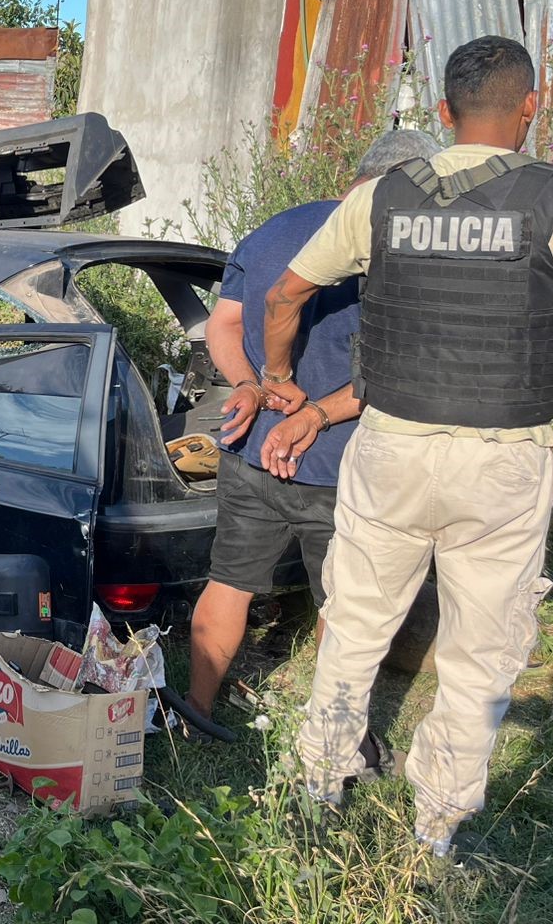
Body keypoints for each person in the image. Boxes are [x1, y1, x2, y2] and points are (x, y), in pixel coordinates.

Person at [261, 35, 553, 857]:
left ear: (442, 113)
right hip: (504, 460)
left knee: (357, 622)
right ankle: (434, 829)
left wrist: (276, 376)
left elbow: (288, 293)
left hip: (392, 444)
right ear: (530, 107)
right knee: (480, 652)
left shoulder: (384, 197)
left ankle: (317, 785)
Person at [184, 130, 445, 725]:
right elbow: (392, 369)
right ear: (404, 182)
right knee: (343, 607)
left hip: (249, 455)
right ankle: (328, 734)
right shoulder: (396, 247)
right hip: (339, 467)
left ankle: (196, 711)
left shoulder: (274, 230)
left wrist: (252, 384)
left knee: (228, 584)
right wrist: (314, 414)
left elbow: (221, 327)